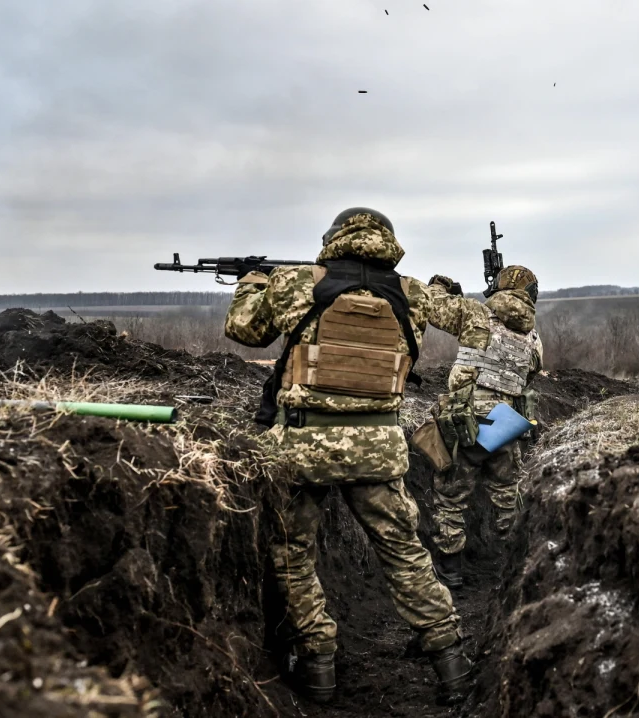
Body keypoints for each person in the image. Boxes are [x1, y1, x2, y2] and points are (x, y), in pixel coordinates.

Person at [223, 207, 487, 706]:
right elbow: (473, 321)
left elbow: (243, 328)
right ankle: (450, 658)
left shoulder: (299, 282)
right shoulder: (412, 293)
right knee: (404, 552)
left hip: (303, 447)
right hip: (380, 449)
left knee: (293, 555)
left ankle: (319, 664)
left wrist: (254, 282)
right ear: (386, 241)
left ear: (333, 238)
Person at [423, 266, 544, 588]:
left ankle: (449, 572)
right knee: (507, 493)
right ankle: (516, 566)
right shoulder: (533, 338)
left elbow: (432, 307)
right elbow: (526, 378)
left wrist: (440, 285)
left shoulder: (475, 315)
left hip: (466, 421)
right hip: (505, 423)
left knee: (450, 498)